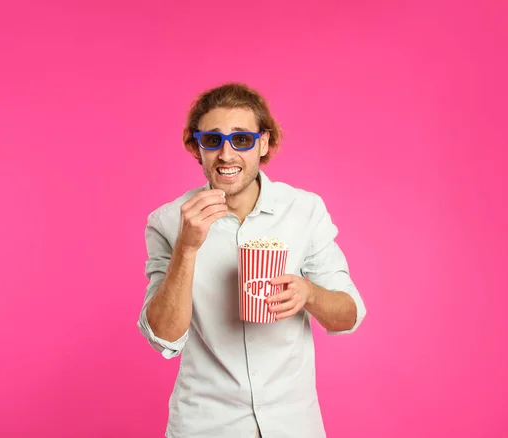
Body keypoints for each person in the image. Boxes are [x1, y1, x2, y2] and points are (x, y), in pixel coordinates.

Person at [137, 83, 367, 438]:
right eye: (212, 141)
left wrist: (309, 293)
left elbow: (349, 315)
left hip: (294, 425)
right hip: (206, 426)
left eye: (241, 140)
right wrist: (186, 248)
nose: (226, 155)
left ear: (264, 143)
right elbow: (164, 337)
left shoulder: (304, 211)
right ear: (195, 147)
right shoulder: (168, 221)